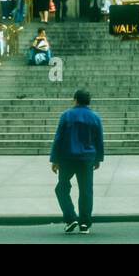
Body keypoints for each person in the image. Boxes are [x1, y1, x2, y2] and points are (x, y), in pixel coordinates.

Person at [49, 89, 104, 233]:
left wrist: (55, 159)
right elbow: (99, 140)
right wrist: (98, 158)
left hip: (67, 157)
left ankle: (71, 217)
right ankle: (85, 223)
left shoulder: (66, 115)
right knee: (86, 190)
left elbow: (58, 138)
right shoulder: (94, 117)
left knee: (61, 188)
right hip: (87, 158)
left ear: (75, 100)